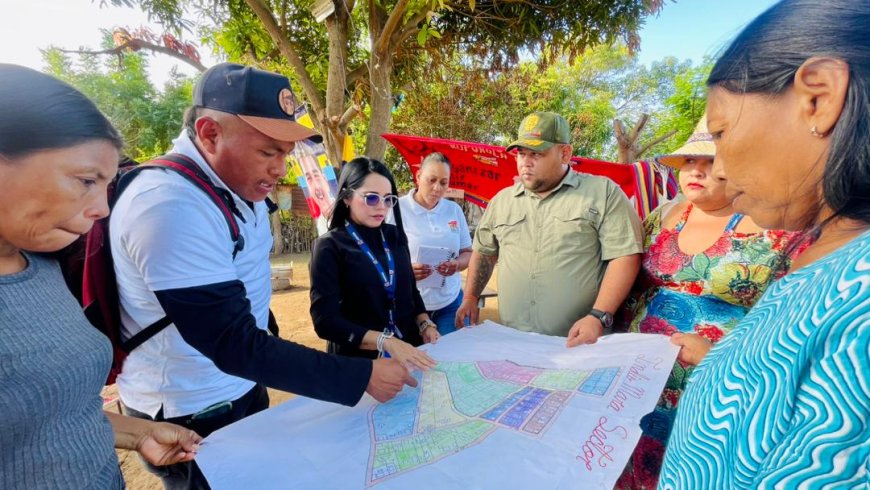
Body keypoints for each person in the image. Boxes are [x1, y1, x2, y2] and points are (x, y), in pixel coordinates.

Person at [109, 63, 416, 489]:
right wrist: (358, 376)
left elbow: (249, 298)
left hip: (242, 382)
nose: (280, 169)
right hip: (193, 407)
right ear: (210, 133)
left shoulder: (238, 187)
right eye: (268, 151)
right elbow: (231, 339)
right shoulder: (169, 205)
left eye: (286, 154)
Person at [659, 1, 870, 488]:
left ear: (818, 97)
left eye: (722, 132)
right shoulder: (826, 254)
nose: (720, 169)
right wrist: (720, 366)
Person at [0, 64, 202, 489]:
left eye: (105, 187)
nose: (102, 209)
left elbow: (50, 413)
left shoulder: (42, 269)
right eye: (86, 180)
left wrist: (140, 431)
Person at [613, 117, 806, 490]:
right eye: (688, 162)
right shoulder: (665, 215)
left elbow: (792, 319)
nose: (696, 171)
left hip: (718, 385)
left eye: (709, 161)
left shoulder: (778, 225)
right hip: (643, 379)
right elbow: (634, 288)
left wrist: (719, 355)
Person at [455, 111, 644, 345]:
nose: (525, 162)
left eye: (536, 153)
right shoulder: (501, 202)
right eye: (521, 154)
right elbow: (484, 253)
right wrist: (471, 297)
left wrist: (599, 316)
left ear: (565, 153)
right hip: (515, 340)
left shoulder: (602, 193)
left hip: (579, 342)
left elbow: (625, 255)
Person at [310, 157, 440, 368]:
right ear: (346, 198)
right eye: (371, 198)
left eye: (388, 199)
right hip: (360, 363)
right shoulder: (329, 246)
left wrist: (424, 323)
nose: (381, 207)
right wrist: (384, 341)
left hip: (408, 351)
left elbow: (410, 292)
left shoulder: (394, 236)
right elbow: (325, 322)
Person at [398, 152, 473, 335]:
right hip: (410, 304)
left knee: (451, 360)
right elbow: (383, 257)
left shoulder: (453, 210)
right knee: (414, 361)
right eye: (431, 180)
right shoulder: (397, 210)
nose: (437, 188)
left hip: (450, 302)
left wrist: (457, 265)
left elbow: (467, 252)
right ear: (418, 177)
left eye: (443, 182)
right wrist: (406, 271)